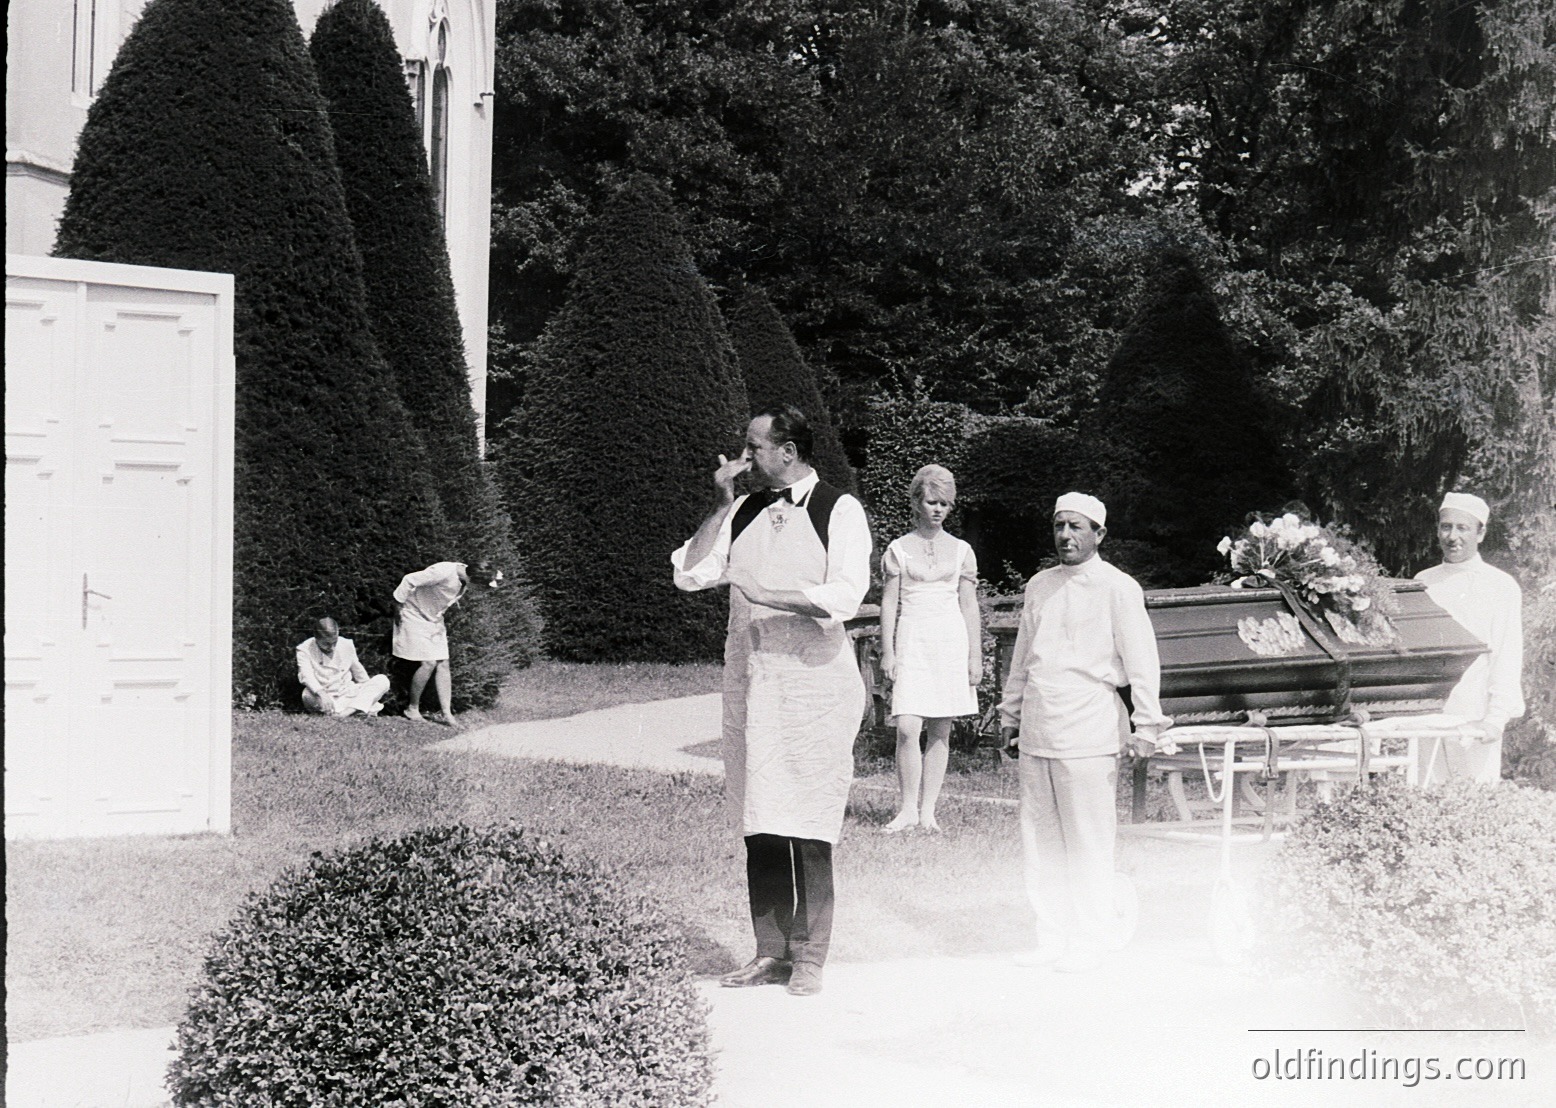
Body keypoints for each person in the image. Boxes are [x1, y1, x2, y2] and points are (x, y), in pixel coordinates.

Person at [672, 404, 872, 997]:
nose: (745, 456)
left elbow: (845, 595)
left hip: (814, 689)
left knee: (808, 817)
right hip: (753, 686)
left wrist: (766, 593)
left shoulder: (839, 508)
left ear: (788, 451)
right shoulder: (744, 509)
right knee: (759, 817)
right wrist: (720, 502)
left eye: (754, 447)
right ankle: (770, 950)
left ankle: (810, 956)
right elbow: (689, 573)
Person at [998, 492, 1172, 974]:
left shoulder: (1119, 588)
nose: (1065, 536)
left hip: (1090, 727)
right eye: (1059, 526)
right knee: (1041, 842)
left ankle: (1091, 938)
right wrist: (1011, 715)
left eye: (1076, 526)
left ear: (1099, 534)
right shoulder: (1039, 585)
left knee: (1089, 840)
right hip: (1039, 726)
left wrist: (1147, 725)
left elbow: (1142, 661)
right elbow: (1023, 658)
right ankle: (1051, 936)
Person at [878, 464, 981, 833]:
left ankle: (927, 812)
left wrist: (975, 656)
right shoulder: (898, 549)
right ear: (916, 502)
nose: (938, 509)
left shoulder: (962, 550)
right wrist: (888, 651)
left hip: (949, 641)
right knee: (907, 726)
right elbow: (889, 603)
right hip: (913, 639)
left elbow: (969, 605)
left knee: (941, 728)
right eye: (932, 502)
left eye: (944, 503)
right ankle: (907, 809)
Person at [1414, 492, 1525, 784]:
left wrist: (1495, 719)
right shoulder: (1423, 581)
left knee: (1472, 800)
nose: (1453, 537)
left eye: (1462, 528)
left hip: (1476, 720)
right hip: (1428, 718)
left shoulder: (1501, 586)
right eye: (1446, 527)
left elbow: (1507, 655)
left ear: (1481, 533)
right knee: (1423, 798)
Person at [392, 559, 501, 727]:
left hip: (434, 621)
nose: (480, 591)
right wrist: (398, 606)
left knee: (443, 663)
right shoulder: (443, 571)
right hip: (413, 615)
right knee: (428, 663)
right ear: (473, 579)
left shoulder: (465, 577)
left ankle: (447, 714)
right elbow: (409, 579)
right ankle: (412, 709)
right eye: (480, 586)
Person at [296, 617, 390, 719]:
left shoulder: (346, 644)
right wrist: (322, 694)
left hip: (348, 693)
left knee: (382, 680)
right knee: (306, 694)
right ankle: (359, 710)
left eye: (334, 642)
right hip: (325, 697)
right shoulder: (304, 649)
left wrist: (368, 692)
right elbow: (306, 676)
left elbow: (359, 673)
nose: (332, 648)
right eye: (327, 644)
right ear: (316, 638)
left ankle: (344, 714)